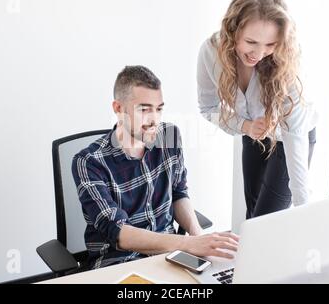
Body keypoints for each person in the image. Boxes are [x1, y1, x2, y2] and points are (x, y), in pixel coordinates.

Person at [196, 0, 329, 229]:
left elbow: (295, 137)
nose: (259, 54)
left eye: (270, 44)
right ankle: (252, 267)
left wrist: (310, 212)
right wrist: (245, 126)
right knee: (253, 221)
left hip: (290, 136)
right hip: (253, 134)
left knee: (266, 225)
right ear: (233, 29)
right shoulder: (210, 52)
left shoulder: (287, 63)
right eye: (251, 41)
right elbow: (208, 107)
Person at [72, 65, 239, 269]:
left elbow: (178, 193)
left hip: (171, 255)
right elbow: (118, 232)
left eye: (159, 109)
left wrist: (200, 240)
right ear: (118, 109)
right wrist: (189, 243)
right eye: (144, 109)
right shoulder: (89, 162)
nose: (154, 120)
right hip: (119, 262)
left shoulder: (169, 136)